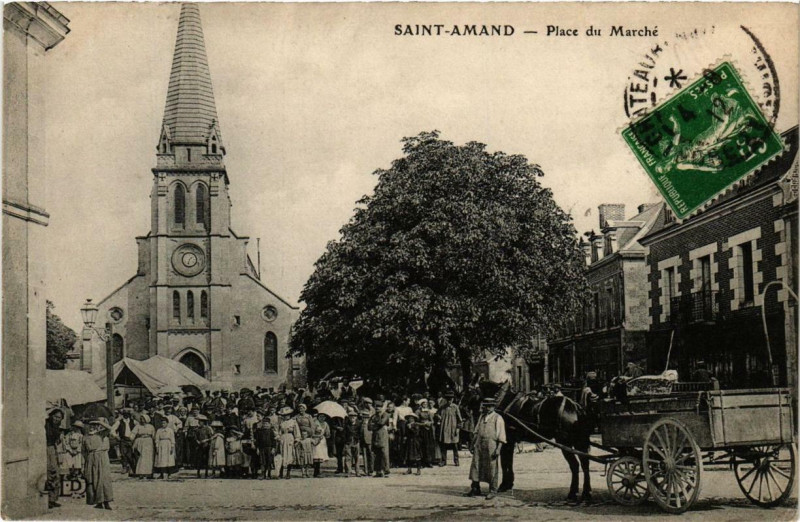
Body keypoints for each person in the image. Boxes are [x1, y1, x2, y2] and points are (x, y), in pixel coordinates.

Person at [465, 398, 506, 500]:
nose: (487, 408)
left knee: (491, 467)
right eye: (486, 406)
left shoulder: (498, 418)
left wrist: (498, 449)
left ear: (493, 407)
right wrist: (472, 444)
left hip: (491, 444)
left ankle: (493, 490)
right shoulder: (482, 417)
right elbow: (476, 431)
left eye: (489, 406)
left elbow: (501, 435)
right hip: (479, 443)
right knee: (476, 465)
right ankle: (475, 488)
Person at [84, 419, 114, 510]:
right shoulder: (85, 437)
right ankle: (98, 502)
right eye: (91, 425)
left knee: (103, 479)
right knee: (93, 479)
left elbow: (109, 428)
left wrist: (99, 422)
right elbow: (83, 451)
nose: (92, 427)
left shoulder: (100, 434)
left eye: (95, 425)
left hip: (101, 457)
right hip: (90, 458)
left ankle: (107, 501)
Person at [45, 408, 64, 509]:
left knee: (56, 473)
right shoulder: (46, 424)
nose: (57, 419)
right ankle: (47, 500)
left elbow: (56, 441)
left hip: (53, 449)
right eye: (55, 416)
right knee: (49, 473)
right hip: (46, 449)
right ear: (51, 415)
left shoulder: (57, 427)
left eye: (59, 418)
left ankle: (52, 499)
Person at [438, 391, 462, 466]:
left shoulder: (455, 407)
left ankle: (456, 460)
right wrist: (438, 417)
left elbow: (460, 420)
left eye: (451, 399)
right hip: (444, 428)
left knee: (454, 445)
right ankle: (443, 461)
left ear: (452, 399)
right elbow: (437, 414)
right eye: (448, 399)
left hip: (453, 429)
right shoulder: (442, 407)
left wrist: (458, 429)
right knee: (443, 445)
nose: (449, 401)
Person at [278, 406, 301, 479]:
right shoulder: (281, 422)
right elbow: (279, 432)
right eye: (284, 415)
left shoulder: (293, 422)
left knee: (290, 455)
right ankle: (280, 472)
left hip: (290, 438)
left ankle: (288, 473)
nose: (286, 417)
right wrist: (278, 438)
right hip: (283, 438)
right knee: (282, 454)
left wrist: (297, 440)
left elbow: (297, 432)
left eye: (287, 415)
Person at [294, 404, 315, 478]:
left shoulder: (309, 416)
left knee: (308, 454)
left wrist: (311, 434)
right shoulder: (296, 417)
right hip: (299, 433)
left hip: (308, 433)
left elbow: (312, 425)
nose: (301, 409)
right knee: (301, 454)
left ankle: (307, 471)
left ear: (305, 409)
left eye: (302, 408)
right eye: (299, 408)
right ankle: (302, 472)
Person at [370, 401, 390, 477]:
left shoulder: (386, 414)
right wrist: (375, 424)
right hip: (375, 435)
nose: (377, 408)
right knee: (376, 453)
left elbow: (381, 422)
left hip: (382, 435)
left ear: (382, 408)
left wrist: (374, 423)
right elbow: (369, 426)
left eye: (379, 407)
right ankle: (378, 471)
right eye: (376, 407)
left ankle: (386, 470)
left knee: (384, 453)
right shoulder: (373, 416)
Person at [131, 414, 155, 478]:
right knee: (141, 457)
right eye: (141, 419)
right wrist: (131, 440)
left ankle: (149, 473)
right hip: (140, 441)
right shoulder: (137, 426)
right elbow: (133, 434)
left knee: (148, 457)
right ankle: (141, 472)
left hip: (148, 442)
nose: (142, 420)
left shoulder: (151, 426)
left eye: (143, 419)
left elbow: (154, 435)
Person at [113, 409, 136, 475]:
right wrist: (116, 436)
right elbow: (112, 430)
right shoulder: (119, 422)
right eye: (124, 414)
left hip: (131, 439)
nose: (126, 415)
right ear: (123, 415)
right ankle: (125, 467)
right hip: (123, 439)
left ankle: (132, 468)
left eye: (127, 414)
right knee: (123, 454)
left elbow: (137, 428)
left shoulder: (133, 421)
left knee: (131, 454)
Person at [254, 413, 276, 479]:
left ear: (269, 424)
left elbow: (273, 440)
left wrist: (273, 448)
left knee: (269, 461)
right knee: (262, 461)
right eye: (264, 424)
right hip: (261, 448)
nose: (265, 425)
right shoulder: (259, 431)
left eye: (267, 424)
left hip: (269, 448)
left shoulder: (271, 431)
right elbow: (257, 441)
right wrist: (257, 448)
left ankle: (268, 474)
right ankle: (263, 474)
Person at [312, 413, 331, 478]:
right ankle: (316, 472)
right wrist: (317, 435)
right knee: (316, 455)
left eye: (323, 417)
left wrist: (327, 433)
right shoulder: (315, 423)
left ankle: (318, 471)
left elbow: (328, 434)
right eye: (320, 416)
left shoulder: (325, 424)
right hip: (316, 440)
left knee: (320, 456)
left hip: (322, 440)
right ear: (318, 417)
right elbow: (311, 433)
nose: (322, 418)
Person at [343, 410, 361, 477]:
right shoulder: (346, 425)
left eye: (353, 417)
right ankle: (348, 471)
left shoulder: (359, 424)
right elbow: (344, 434)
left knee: (357, 457)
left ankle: (357, 472)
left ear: (356, 417)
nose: (352, 419)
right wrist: (345, 442)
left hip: (356, 442)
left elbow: (360, 433)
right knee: (348, 457)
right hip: (348, 442)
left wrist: (358, 439)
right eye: (350, 417)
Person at [358, 408, 373, 476]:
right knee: (364, 456)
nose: (365, 419)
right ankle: (366, 470)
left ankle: (371, 470)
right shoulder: (360, 424)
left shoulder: (371, 424)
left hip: (370, 441)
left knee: (370, 455)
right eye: (363, 417)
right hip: (363, 441)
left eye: (366, 417)